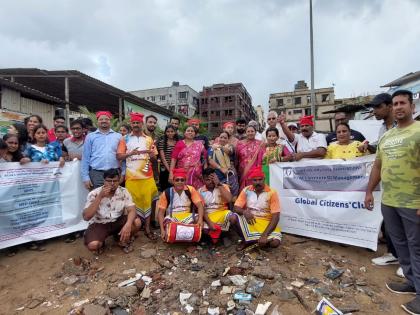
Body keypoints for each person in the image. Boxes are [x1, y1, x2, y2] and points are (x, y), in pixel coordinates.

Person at [364, 90, 420, 315]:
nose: (398, 107)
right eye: (395, 103)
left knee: (417, 247)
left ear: (411, 106)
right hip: (389, 200)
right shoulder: (386, 136)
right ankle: (411, 281)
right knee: (400, 245)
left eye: (402, 103)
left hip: (413, 201)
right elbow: (378, 166)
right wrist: (369, 191)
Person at [117, 112, 159, 240]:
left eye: (138, 123)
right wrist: (130, 154)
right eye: (133, 123)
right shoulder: (125, 139)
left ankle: (147, 228)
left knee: (148, 203)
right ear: (131, 124)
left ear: (142, 124)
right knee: (132, 204)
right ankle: (135, 227)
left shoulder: (148, 139)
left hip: (147, 176)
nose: (136, 125)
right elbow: (119, 156)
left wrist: (153, 156)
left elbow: (154, 157)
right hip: (131, 177)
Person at [83, 168, 141, 254]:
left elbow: (132, 210)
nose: (112, 184)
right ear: (104, 181)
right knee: (93, 245)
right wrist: (100, 197)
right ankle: (99, 240)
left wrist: (128, 224)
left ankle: (121, 240)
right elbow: (86, 217)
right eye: (109, 181)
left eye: (115, 181)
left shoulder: (123, 191)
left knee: (136, 222)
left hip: (117, 221)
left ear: (119, 180)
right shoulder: (94, 193)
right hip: (99, 223)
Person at [233, 167, 282, 250]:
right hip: (251, 221)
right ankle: (245, 240)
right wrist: (244, 212)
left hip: (266, 223)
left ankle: (253, 240)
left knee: (275, 243)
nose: (258, 182)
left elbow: (276, 216)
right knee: (232, 217)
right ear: (251, 181)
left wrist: (265, 235)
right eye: (255, 180)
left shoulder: (272, 192)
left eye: (260, 180)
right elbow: (236, 207)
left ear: (264, 179)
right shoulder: (246, 190)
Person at [157, 168, 204, 242]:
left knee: (199, 220)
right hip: (173, 218)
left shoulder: (190, 190)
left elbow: (200, 206)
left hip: (188, 217)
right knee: (168, 229)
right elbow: (161, 213)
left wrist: (200, 219)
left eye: (182, 180)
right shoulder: (167, 192)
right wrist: (162, 230)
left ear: (185, 181)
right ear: (173, 181)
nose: (180, 182)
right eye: (177, 180)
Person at [81, 111, 122, 189]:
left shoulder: (118, 136)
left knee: (114, 197)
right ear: (97, 121)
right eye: (101, 119)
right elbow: (85, 158)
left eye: (106, 119)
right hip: (96, 173)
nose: (104, 121)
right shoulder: (90, 137)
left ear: (110, 121)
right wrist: (85, 177)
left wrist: (123, 173)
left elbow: (122, 157)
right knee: (99, 196)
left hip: (114, 173)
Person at [199, 168, 236, 242]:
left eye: (212, 178)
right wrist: (209, 223)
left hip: (222, 213)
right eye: (207, 180)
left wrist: (218, 184)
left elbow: (229, 199)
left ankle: (224, 235)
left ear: (216, 177)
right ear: (203, 179)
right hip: (208, 216)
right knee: (204, 230)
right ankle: (215, 237)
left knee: (233, 218)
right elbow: (202, 209)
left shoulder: (223, 186)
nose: (211, 182)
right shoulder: (200, 191)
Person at [208, 131, 239, 197]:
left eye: (225, 138)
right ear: (218, 138)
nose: (222, 139)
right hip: (217, 175)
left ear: (228, 139)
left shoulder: (230, 147)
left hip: (229, 175)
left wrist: (220, 146)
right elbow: (210, 160)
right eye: (221, 137)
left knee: (232, 195)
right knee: (218, 195)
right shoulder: (212, 148)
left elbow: (229, 152)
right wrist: (221, 168)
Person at [236, 125, 264, 190]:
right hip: (242, 172)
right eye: (248, 131)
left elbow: (263, 158)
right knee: (244, 192)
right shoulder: (240, 144)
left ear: (255, 132)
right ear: (245, 133)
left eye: (252, 131)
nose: (250, 133)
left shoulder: (260, 144)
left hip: (255, 172)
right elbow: (236, 159)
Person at [157, 125, 179, 192]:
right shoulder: (162, 142)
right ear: (165, 133)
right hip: (165, 169)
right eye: (168, 131)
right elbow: (163, 159)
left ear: (175, 132)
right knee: (165, 188)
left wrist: (173, 171)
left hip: (176, 169)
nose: (170, 133)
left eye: (172, 131)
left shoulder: (178, 142)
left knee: (175, 188)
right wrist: (170, 171)